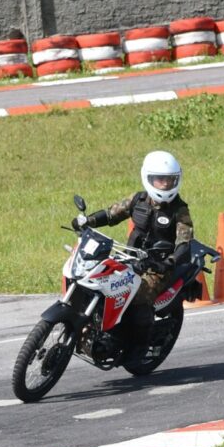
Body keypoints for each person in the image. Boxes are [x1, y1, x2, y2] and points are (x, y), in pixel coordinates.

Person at [73, 150, 196, 353]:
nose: (165, 184)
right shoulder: (138, 199)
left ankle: (139, 347)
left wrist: (168, 263)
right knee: (96, 278)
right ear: (148, 178)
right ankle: (95, 326)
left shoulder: (179, 210)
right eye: (160, 179)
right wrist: (89, 221)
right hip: (129, 255)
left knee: (139, 297)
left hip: (157, 266)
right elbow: (112, 213)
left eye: (170, 180)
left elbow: (184, 242)